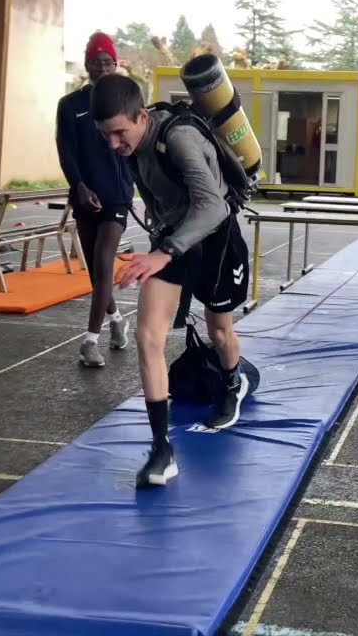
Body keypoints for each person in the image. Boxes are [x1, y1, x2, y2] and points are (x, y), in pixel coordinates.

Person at [90, 73, 252, 488]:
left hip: (215, 239)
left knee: (219, 331)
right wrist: (161, 249)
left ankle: (232, 382)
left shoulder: (177, 138)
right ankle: (162, 449)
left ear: (141, 116)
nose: (113, 144)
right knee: (148, 338)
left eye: (119, 133)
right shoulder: (129, 146)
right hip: (173, 242)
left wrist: (164, 251)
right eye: (105, 135)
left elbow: (213, 207)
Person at [56, 32, 135, 367]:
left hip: (116, 198)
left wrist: (133, 186)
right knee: (95, 272)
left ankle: (90, 341)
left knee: (104, 263)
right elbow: (66, 150)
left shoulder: (127, 102)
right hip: (85, 197)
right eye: (96, 62)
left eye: (108, 62)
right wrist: (79, 186)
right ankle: (118, 320)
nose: (102, 68)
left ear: (116, 66)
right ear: (87, 65)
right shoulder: (71, 106)